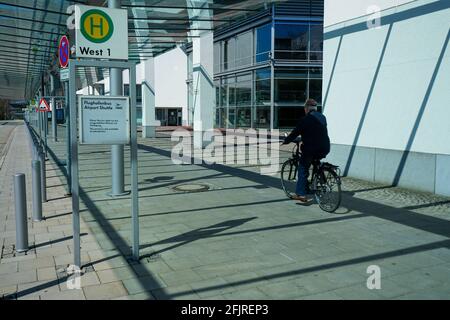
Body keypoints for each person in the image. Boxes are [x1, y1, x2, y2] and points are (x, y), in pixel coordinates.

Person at [283, 99, 330, 203]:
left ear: (306, 109)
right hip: (325, 147)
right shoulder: (323, 117)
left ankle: (301, 194)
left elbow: (295, 133)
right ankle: (316, 180)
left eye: (304, 109)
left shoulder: (305, 119)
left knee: (303, 168)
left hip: (311, 149)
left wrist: (286, 141)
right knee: (315, 161)